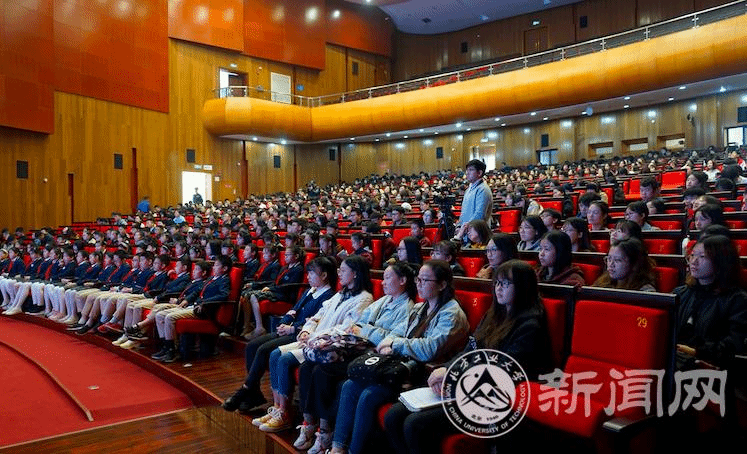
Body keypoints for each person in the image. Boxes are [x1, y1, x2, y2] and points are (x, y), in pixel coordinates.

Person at [383, 260, 552, 454]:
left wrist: (452, 375)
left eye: (505, 283)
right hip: (467, 386)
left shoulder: (530, 325)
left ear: (523, 287)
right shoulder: (493, 315)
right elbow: (470, 350)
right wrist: (446, 368)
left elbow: (502, 368)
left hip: (493, 398)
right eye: (497, 282)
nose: (498, 288)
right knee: (394, 415)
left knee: (414, 424)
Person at [329, 260, 469, 454]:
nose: (418, 284)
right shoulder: (420, 308)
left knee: (369, 394)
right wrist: (391, 341)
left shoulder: (451, 312)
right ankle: (337, 447)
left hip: (425, 377)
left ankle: (354, 450)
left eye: (425, 280)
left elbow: (429, 349)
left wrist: (394, 344)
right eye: (418, 279)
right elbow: (396, 334)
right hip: (403, 367)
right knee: (350, 385)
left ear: (442, 284)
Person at [294, 262, 417, 453]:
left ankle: (325, 431)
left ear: (402, 281)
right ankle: (310, 424)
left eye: (387, 278)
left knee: (322, 371)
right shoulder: (383, 301)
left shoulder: (407, 308)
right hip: (357, 349)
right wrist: (367, 330)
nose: (382, 282)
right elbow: (357, 324)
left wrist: (366, 330)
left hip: (373, 358)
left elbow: (390, 338)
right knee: (307, 367)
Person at [256, 256, 373, 433]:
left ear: (355, 273)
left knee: (284, 359)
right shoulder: (340, 294)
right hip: (313, 339)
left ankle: (285, 413)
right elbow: (317, 316)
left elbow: (346, 329)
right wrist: (306, 330)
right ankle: (277, 407)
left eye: (343, 270)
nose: (339, 273)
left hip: (326, 345)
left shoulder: (364, 299)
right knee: (274, 354)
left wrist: (313, 336)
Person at [222, 257, 338, 414]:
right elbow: (293, 310)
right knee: (252, 346)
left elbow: (315, 321)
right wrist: (284, 323)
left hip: (300, 335)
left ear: (324, 275)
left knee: (263, 350)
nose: (308, 276)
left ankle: (246, 389)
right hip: (288, 329)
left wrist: (292, 329)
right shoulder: (310, 291)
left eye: (312, 273)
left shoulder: (328, 296)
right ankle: (253, 392)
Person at [674, 235, 747, 371]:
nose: (693, 262)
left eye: (702, 257)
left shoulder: (737, 300)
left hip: (712, 368)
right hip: (677, 359)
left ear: (721, 262)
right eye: (692, 255)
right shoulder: (680, 293)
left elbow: (734, 345)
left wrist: (696, 352)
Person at [243, 246, 306, 340]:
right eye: (285, 255)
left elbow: (288, 286)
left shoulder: (298, 269)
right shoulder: (285, 268)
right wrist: (269, 287)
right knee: (247, 294)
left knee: (253, 295)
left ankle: (259, 327)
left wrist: (271, 289)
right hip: (277, 291)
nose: (285, 257)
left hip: (285, 295)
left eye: (287, 255)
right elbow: (276, 282)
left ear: (296, 256)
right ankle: (248, 325)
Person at [455, 159, 493, 235]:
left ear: (479, 173)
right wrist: (459, 226)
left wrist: (464, 229)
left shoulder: (483, 189)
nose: (467, 173)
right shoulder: (468, 189)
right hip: (466, 232)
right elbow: (463, 212)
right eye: (467, 170)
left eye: (471, 170)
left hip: (477, 233)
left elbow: (479, 215)